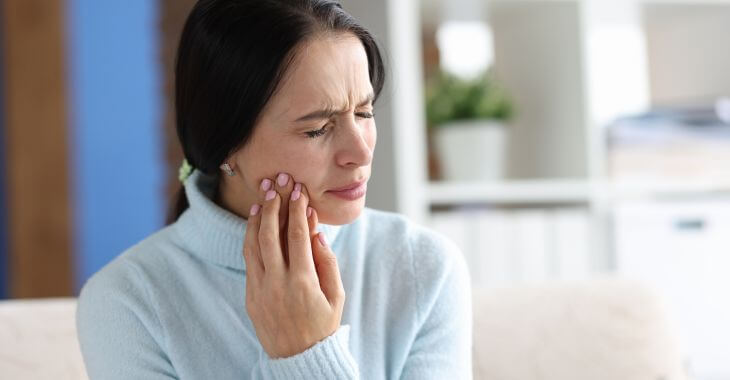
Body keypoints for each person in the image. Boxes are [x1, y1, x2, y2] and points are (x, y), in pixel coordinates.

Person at [76, 0, 472, 378]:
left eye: (364, 112)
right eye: (317, 128)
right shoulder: (126, 303)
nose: (360, 150)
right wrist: (303, 355)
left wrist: (307, 352)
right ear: (226, 147)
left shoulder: (423, 268)